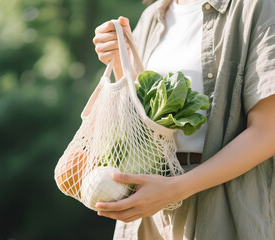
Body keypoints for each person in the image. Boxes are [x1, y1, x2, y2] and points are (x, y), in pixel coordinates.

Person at [92, 0, 275, 239]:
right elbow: (140, 127)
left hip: (222, 212)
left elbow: (267, 132)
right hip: (149, 215)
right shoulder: (152, 17)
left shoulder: (256, 7)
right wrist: (120, 60)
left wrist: (175, 189)